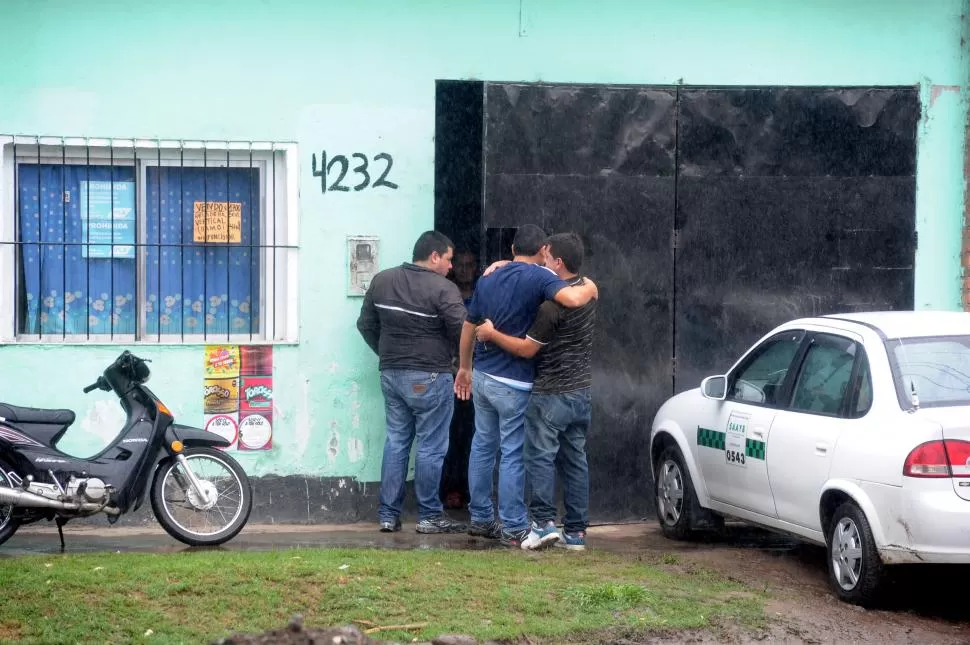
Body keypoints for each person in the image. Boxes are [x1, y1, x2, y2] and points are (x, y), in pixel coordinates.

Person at [455, 224, 597, 548]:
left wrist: (464, 368)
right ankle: (515, 525)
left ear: (513, 249)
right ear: (543, 251)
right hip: (515, 382)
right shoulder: (539, 278)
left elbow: (468, 324)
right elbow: (573, 296)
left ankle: (480, 518)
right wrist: (590, 288)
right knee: (514, 454)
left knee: (482, 445)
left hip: (484, 377)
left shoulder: (489, 277)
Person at [356, 231, 468, 534]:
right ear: (434, 256)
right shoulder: (444, 289)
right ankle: (430, 515)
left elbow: (365, 324)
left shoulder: (382, 280)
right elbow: (463, 331)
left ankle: (388, 515)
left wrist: (387, 353)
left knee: (396, 442)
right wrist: (463, 365)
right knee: (431, 447)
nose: (450, 266)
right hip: (430, 376)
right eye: (448, 259)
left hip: (391, 375)